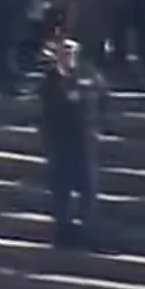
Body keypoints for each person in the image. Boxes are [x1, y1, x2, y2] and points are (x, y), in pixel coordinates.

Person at [38, 36, 105, 247]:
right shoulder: (50, 81)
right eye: (63, 52)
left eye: (71, 51)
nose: (67, 56)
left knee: (88, 189)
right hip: (60, 140)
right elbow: (50, 108)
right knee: (61, 190)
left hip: (84, 140)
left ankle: (88, 231)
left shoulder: (89, 76)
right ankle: (63, 231)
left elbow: (102, 98)